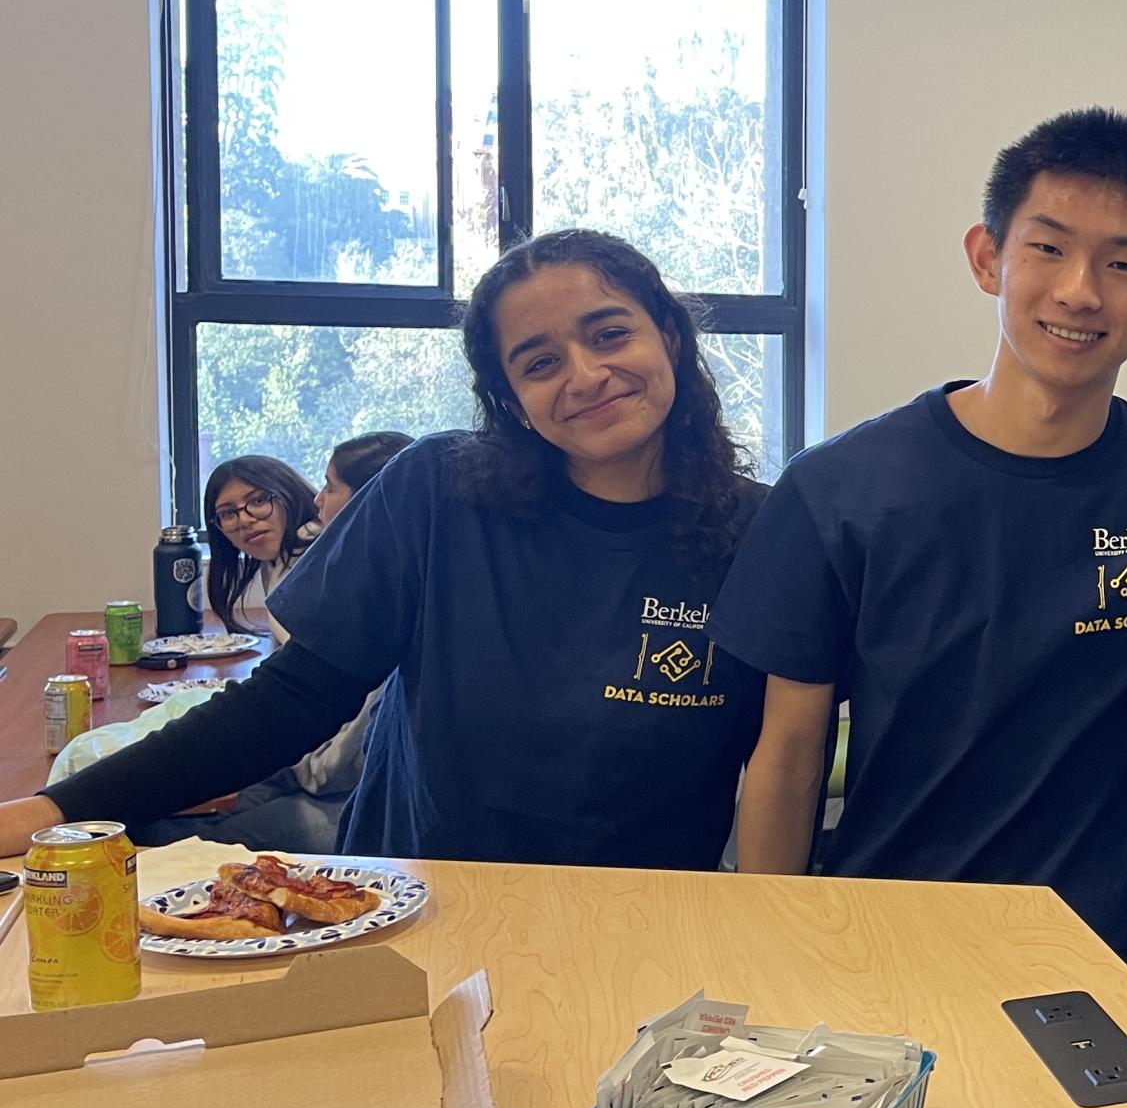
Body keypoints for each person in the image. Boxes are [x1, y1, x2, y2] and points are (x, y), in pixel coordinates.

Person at [1, 232, 767, 867]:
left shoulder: (762, 531)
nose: (586, 375)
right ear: (509, 398)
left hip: (656, 927)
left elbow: (786, 759)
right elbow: (289, 701)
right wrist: (57, 806)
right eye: (539, 362)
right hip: (420, 907)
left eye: (609, 334)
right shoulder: (437, 493)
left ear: (667, 332)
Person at [715, 109, 1127, 1003]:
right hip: (889, 953)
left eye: (1122, 263)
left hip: (1107, 979)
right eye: (1048, 249)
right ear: (987, 258)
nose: (1080, 291)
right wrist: (772, 952)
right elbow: (789, 755)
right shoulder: (840, 490)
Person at [275, 430, 418, 807]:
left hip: (351, 805)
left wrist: (273, 761)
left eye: (330, 487)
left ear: (372, 499)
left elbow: (330, 772)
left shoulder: (380, 605)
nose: (316, 499)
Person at [201, 455, 321, 635]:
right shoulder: (274, 561)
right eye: (227, 513)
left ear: (289, 493)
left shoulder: (320, 552)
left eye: (258, 501)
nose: (244, 520)